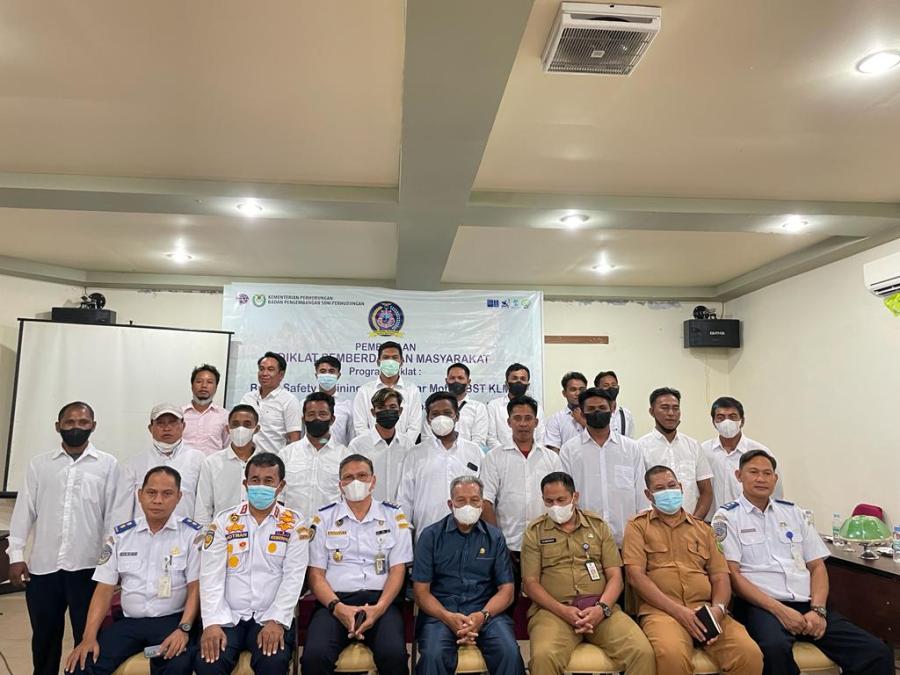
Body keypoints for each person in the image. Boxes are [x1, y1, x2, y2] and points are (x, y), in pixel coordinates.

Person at [715, 450, 894, 675]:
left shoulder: (793, 513)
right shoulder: (727, 517)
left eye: (767, 473)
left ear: (775, 479)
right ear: (739, 475)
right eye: (753, 472)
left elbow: (817, 566)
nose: (761, 479)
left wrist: (818, 610)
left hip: (808, 604)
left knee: (875, 651)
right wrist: (780, 611)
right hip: (761, 607)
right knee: (774, 649)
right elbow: (733, 574)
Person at [8, 401, 120, 675]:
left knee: (88, 638)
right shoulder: (39, 465)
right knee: (44, 640)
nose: (76, 427)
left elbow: (113, 519)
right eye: (69, 422)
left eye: (83, 423)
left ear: (93, 426)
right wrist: (16, 556)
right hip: (44, 568)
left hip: (89, 568)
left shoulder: (108, 465)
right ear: (58, 426)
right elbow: (24, 512)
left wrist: (111, 565)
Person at [623, 465, 763, 675]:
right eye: (660, 489)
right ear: (648, 495)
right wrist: (679, 612)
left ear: (680, 487)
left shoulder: (704, 529)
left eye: (672, 485)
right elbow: (636, 577)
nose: (668, 491)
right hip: (663, 611)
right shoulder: (638, 527)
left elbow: (720, 577)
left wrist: (718, 609)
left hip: (706, 610)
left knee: (749, 654)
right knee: (671, 656)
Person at [64, 467, 201, 675]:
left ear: (179, 497)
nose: (158, 500)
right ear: (140, 495)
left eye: (167, 494)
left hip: (171, 621)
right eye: (151, 493)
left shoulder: (192, 535)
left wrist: (183, 629)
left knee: (178, 664)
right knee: (81, 666)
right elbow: (104, 589)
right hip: (129, 623)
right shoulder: (120, 536)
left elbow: (195, 588)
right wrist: (88, 637)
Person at [522, 471, 654, 675]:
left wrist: (601, 608)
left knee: (642, 652)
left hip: (601, 609)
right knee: (543, 657)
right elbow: (530, 584)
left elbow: (615, 577)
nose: (555, 506)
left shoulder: (598, 526)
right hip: (554, 612)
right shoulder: (534, 531)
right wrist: (563, 611)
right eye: (549, 501)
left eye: (561, 500)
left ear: (575, 497)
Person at [195, 453, 309, 675]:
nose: (261, 486)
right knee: (208, 664)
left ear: (281, 486)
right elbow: (210, 576)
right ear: (245, 484)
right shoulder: (224, 522)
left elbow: (294, 577)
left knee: (273, 663)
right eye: (255, 480)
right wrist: (211, 623)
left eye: (269, 481)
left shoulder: (294, 524)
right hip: (228, 617)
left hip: (270, 616)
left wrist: (276, 620)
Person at [301, 454, 413, 675]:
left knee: (394, 656)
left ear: (373, 481)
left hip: (381, 602)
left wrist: (379, 609)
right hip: (334, 603)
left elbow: (397, 570)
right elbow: (315, 575)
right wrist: (338, 608)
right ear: (340, 485)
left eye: (362, 476)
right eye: (348, 477)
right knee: (315, 657)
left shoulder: (393, 516)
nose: (356, 482)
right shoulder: (323, 518)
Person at [412, 476, 525, 675]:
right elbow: (421, 593)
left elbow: (506, 590)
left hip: (486, 613)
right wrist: (447, 617)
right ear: (450, 504)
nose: (468, 506)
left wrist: (482, 616)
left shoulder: (495, 537)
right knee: (433, 655)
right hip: (441, 614)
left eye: (474, 500)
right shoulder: (430, 536)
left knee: (509, 652)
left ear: (482, 504)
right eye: (461, 501)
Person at [481, 395, 562, 586]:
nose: (523, 424)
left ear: (536, 422)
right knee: (508, 596)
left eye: (528, 418)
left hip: (546, 544)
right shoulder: (494, 457)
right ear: (509, 422)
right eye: (517, 418)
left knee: (544, 596)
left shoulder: (551, 458)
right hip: (507, 544)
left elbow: (560, 500)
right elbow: (486, 502)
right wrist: (498, 542)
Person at [559, 387, 648, 545]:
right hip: (584, 539)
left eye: (602, 408)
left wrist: (642, 533)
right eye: (591, 409)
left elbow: (641, 493)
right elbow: (565, 495)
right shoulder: (569, 450)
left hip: (627, 537)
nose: (597, 412)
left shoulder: (631, 448)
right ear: (582, 413)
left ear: (612, 409)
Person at [397, 392, 483, 533]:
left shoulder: (474, 451)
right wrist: (404, 533)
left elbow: (483, 496)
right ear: (428, 419)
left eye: (447, 413)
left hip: (469, 533)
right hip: (425, 533)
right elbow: (404, 499)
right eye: (435, 414)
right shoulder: (415, 454)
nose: (441, 419)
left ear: (457, 416)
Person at [113, 403, 205, 525]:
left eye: (172, 423)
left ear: (183, 426)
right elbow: (122, 509)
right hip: (143, 533)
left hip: (184, 533)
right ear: (150, 428)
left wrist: (201, 534)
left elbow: (203, 505)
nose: (167, 428)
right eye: (160, 423)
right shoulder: (133, 464)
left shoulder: (199, 460)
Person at [637, 387, 713, 520]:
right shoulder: (640, 447)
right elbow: (638, 493)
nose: (671, 413)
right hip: (653, 525)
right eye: (664, 408)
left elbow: (706, 492)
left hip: (691, 523)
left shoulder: (693, 446)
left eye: (675, 408)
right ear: (652, 411)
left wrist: (694, 523)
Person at [701, 396, 779, 514]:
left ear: (742, 421)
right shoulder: (703, 451)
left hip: (751, 519)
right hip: (711, 520)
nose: (727, 422)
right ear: (714, 422)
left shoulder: (760, 452)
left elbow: (775, 491)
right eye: (720, 417)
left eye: (732, 417)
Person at [279, 391, 344, 518]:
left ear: (332, 419)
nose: (317, 419)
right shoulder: (286, 454)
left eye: (322, 414)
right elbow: (278, 497)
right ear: (303, 419)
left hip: (331, 527)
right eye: (311, 414)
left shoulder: (345, 456)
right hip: (292, 527)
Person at [194, 404, 261, 525]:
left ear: (256, 429)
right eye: (235, 424)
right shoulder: (212, 463)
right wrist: (203, 534)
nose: (240, 429)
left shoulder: (269, 464)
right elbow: (203, 507)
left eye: (247, 424)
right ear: (227, 428)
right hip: (221, 531)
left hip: (260, 531)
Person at [345, 389, 413, 502]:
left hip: (400, 510)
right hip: (369, 509)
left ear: (400, 411)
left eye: (392, 407)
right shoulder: (357, 446)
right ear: (373, 412)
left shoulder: (407, 444)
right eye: (381, 407)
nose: (388, 411)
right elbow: (351, 483)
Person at [352, 341, 423, 445]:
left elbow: (414, 426)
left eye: (394, 358)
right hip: (371, 449)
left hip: (404, 449)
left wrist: (402, 446)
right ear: (378, 362)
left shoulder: (412, 390)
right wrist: (373, 446)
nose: (390, 361)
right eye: (386, 357)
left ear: (402, 361)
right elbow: (360, 426)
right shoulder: (365, 391)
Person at [239, 351, 302, 453]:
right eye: (261, 369)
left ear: (281, 375)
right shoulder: (247, 398)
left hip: (274, 460)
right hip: (247, 459)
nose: (264, 373)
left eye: (270, 369)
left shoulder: (289, 401)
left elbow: (294, 438)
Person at [486, 363, 545, 452]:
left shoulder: (537, 407)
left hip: (531, 456)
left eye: (523, 379)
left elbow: (541, 439)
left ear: (528, 385)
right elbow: (490, 438)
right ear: (506, 384)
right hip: (501, 456)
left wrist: (529, 454)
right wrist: (507, 454)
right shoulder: (494, 406)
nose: (519, 382)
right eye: (514, 378)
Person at [182, 364, 230, 456]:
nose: (204, 385)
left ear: (216, 387)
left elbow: (227, 447)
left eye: (209, 382)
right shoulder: (179, 414)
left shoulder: (225, 416)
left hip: (213, 464)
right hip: (183, 464)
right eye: (199, 381)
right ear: (192, 385)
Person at [443, 363, 488, 449]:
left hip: (468, 455)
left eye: (460, 378)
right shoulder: (436, 406)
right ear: (446, 381)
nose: (456, 381)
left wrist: (463, 454)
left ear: (468, 382)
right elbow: (428, 438)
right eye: (452, 378)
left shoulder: (478, 408)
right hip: (439, 455)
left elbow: (479, 440)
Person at [314, 355, 354, 447]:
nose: (327, 375)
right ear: (316, 375)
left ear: (338, 375)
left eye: (331, 371)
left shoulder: (347, 406)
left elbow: (352, 439)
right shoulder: (304, 404)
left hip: (340, 454)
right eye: (323, 371)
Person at [544, 372, 587, 451]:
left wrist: (582, 422)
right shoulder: (555, 419)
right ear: (564, 393)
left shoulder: (595, 414)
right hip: (564, 459)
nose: (578, 393)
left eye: (582, 390)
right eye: (573, 389)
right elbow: (553, 450)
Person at [594, 371, 635, 438]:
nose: (611, 388)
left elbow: (630, 439)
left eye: (613, 385)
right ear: (597, 389)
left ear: (618, 387)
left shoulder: (626, 414)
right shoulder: (593, 414)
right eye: (606, 385)